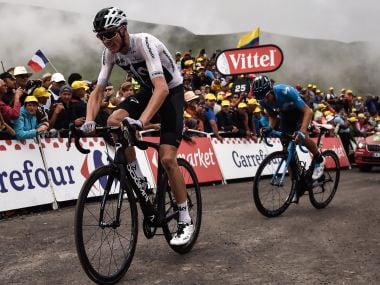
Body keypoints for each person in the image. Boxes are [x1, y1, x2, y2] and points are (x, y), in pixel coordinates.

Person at [82, 7, 194, 245]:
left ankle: (185, 218)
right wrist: (90, 120)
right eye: (100, 35)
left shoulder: (144, 43)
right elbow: (98, 91)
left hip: (170, 91)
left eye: (109, 34)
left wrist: (141, 122)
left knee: (167, 159)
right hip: (147, 91)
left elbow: (162, 88)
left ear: (123, 29)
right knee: (113, 121)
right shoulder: (109, 53)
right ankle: (138, 177)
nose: (105, 40)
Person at [252, 75, 326, 185]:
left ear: (271, 90)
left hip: (300, 111)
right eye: (262, 98)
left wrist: (302, 131)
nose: (266, 100)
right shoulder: (263, 100)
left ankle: (319, 159)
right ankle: (295, 184)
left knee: (303, 137)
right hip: (285, 114)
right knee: (286, 149)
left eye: (267, 96)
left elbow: (308, 111)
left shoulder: (285, 91)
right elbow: (272, 115)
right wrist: (269, 128)